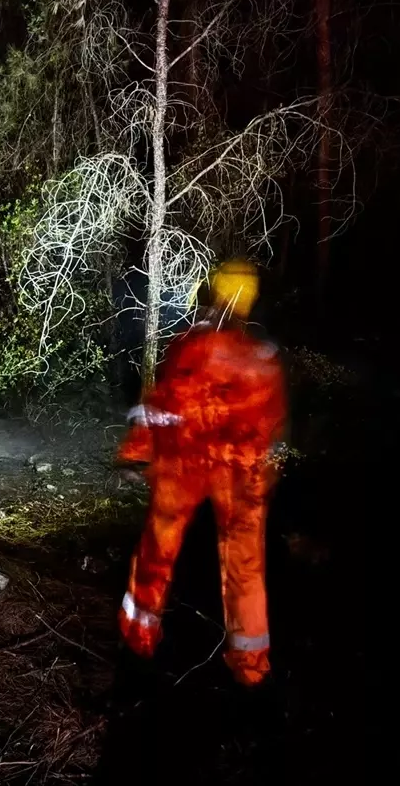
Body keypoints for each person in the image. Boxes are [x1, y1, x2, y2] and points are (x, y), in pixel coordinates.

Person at [115, 259, 287, 687]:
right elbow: (271, 425)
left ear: (214, 293)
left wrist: (137, 452)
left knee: (158, 549)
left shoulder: (192, 346)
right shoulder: (262, 358)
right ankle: (251, 664)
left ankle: (139, 636)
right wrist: (263, 473)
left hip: (186, 465)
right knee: (245, 565)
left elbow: (164, 405)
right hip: (241, 473)